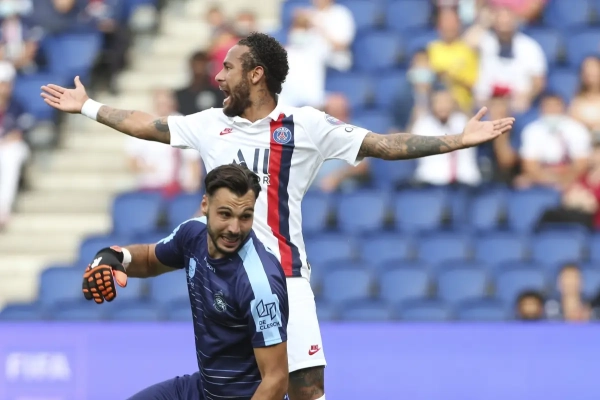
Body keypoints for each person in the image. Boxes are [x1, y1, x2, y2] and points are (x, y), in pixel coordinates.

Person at [41, 32, 514, 400]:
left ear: (256, 75)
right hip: (225, 276)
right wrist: (89, 107)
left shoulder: (305, 126)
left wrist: (457, 140)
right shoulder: (209, 124)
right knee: (228, 384)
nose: (218, 76)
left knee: (306, 389)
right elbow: (148, 125)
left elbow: (383, 145)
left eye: (228, 67)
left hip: (285, 278)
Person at [82, 163, 289, 400]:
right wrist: (115, 257)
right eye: (225, 214)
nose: (234, 228)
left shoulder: (260, 283)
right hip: (203, 390)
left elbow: (276, 380)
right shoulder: (192, 234)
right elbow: (149, 259)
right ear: (205, 205)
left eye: (245, 217)